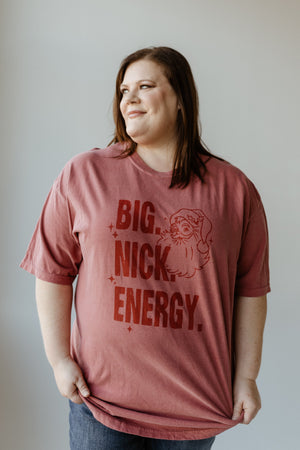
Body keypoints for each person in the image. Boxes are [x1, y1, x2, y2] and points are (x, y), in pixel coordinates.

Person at [20, 46, 270, 450]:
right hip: (102, 401)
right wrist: (59, 360)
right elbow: (52, 270)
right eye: (123, 90)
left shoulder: (233, 191)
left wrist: (246, 378)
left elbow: (251, 290)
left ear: (180, 100)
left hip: (195, 405)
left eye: (145, 86)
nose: (128, 99)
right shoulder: (84, 175)